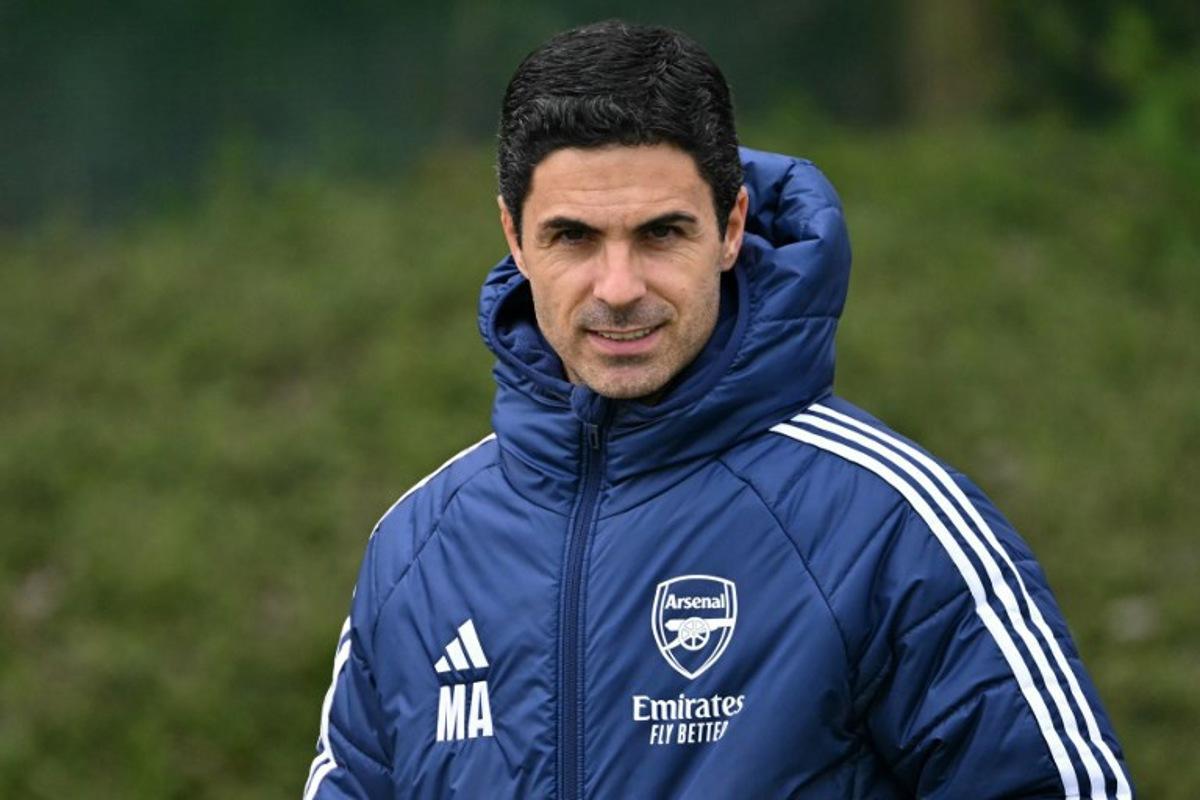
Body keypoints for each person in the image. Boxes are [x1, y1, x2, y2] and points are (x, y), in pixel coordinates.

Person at [303, 20, 1133, 799]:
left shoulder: (888, 525)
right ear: (514, 239)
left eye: (662, 234)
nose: (619, 289)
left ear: (731, 227)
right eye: (573, 238)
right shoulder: (416, 550)